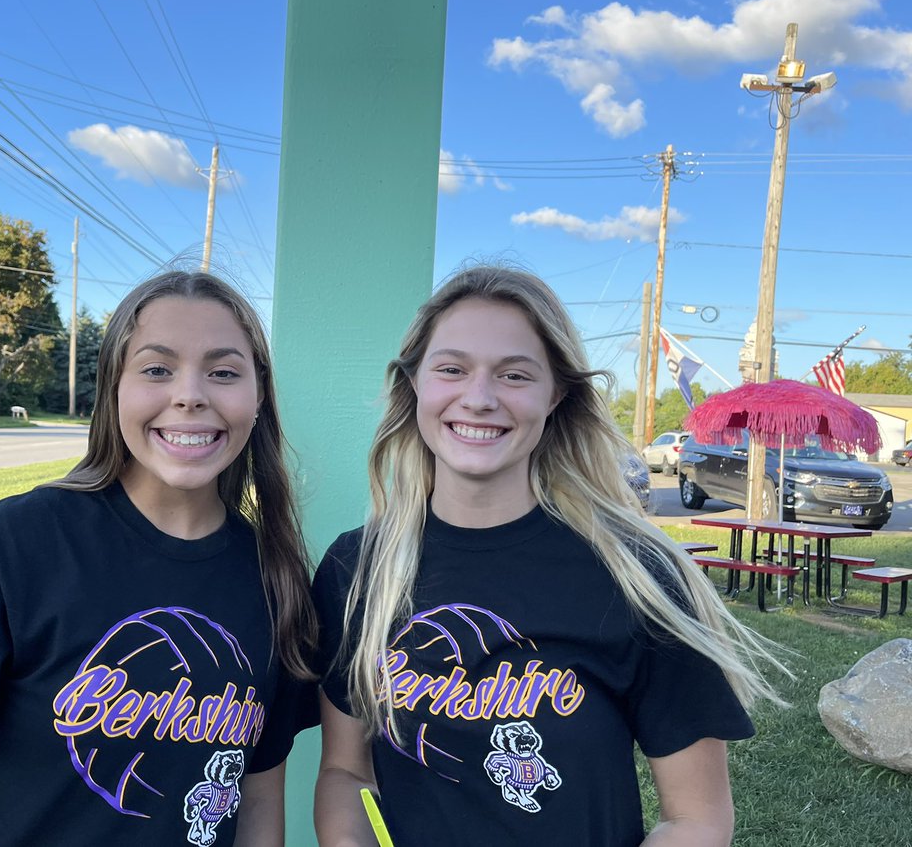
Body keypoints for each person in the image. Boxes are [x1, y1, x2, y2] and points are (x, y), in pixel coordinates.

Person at [313, 266, 787, 846]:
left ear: (556, 392)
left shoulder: (636, 574)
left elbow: (696, 818)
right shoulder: (356, 569)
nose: (479, 398)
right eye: (452, 369)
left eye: (514, 374)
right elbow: (346, 773)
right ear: (414, 382)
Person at [0, 270, 318, 846]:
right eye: (156, 369)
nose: (190, 394)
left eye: (223, 372)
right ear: (113, 387)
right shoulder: (9, 548)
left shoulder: (276, 578)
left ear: (259, 395)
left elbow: (257, 802)